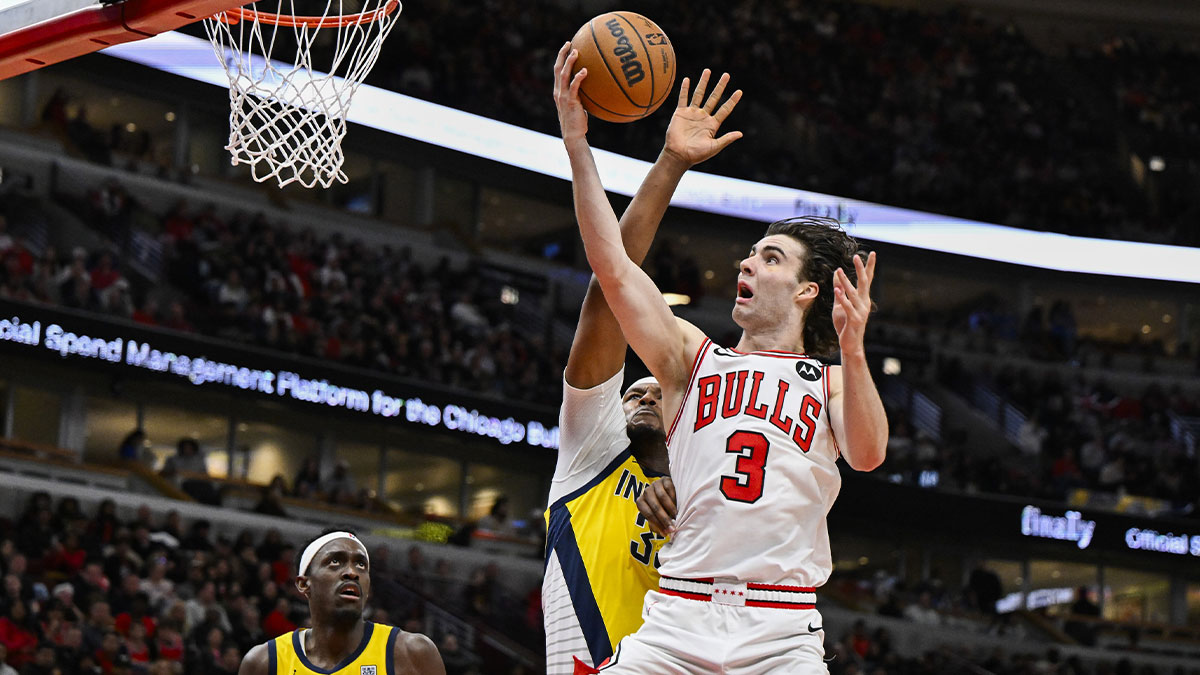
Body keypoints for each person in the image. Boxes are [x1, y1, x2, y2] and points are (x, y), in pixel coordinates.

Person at [554, 44, 887, 674]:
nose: (746, 263)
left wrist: (856, 348)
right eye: (750, 253)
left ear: (807, 290)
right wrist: (579, 146)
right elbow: (613, 269)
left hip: (781, 630)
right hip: (678, 619)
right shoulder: (689, 357)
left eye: (769, 258)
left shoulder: (833, 381)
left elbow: (869, 455)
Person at [542, 53, 744, 675]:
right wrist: (669, 164)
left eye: (660, 389)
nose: (645, 393)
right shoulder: (592, 447)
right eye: (633, 389)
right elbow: (610, 291)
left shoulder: (717, 491)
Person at [237, 530, 443, 675]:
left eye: (361, 565)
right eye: (335, 561)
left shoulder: (413, 654)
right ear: (303, 584)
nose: (352, 572)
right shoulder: (263, 663)